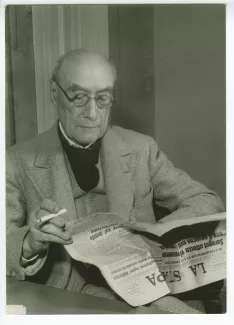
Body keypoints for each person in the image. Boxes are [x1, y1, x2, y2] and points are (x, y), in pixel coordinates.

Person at [6, 49, 224, 313]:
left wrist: (155, 235)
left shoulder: (141, 148)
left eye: (104, 99)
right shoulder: (15, 161)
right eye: (78, 97)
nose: (92, 113)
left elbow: (206, 201)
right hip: (70, 301)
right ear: (55, 93)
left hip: (149, 288)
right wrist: (30, 242)